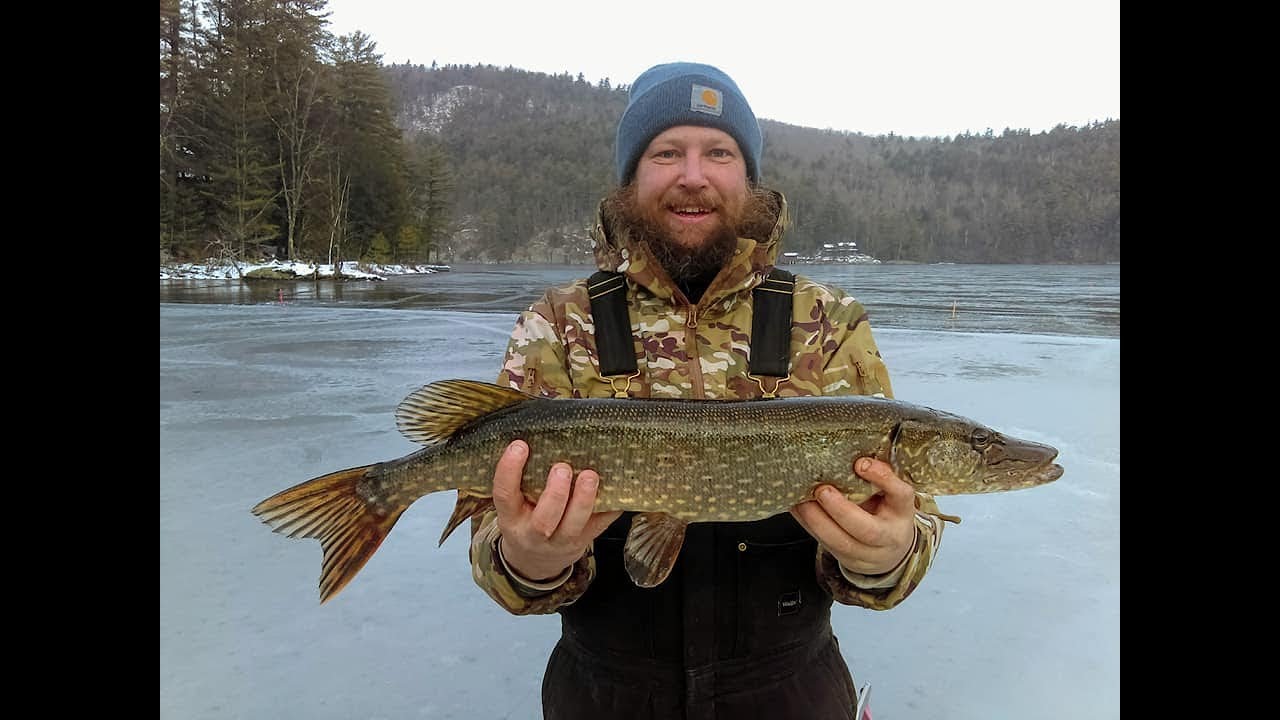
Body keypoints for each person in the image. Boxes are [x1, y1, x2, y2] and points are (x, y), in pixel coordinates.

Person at [468, 61, 951, 719]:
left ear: (747, 178)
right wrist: (527, 562)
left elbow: (906, 531)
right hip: (603, 695)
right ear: (631, 180)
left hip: (791, 693)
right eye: (667, 152)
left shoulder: (828, 320)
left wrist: (886, 558)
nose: (693, 175)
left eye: (718, 153)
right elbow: (493, 546)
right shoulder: (558, 323)